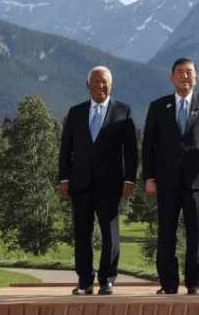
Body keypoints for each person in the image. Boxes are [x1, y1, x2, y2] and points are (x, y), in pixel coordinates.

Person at [142, 58, 199, 295]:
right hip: (165, 179)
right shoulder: (158, 106)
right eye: (179, 72)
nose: (184, 76)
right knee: (166, 234)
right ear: (171, 78)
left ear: (196, 78)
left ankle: (194, 284)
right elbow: (148, 145)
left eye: (189, 72)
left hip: (197, 179)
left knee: (196, 234)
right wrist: (149, 177)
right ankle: (168, 285)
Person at [58, 66, 137, 295]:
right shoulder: (75, 112)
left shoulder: (123, 111)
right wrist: (64, 179)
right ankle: (84, 281)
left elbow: (131, 151)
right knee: (82, 233)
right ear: (87, 85)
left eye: (104, 82)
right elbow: (66, 149)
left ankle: (107, 280)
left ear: (111, 85)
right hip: (80, 183)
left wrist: (130, 179)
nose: (99, 86)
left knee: (110, 234)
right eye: (94, 81)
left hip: (110, 184)